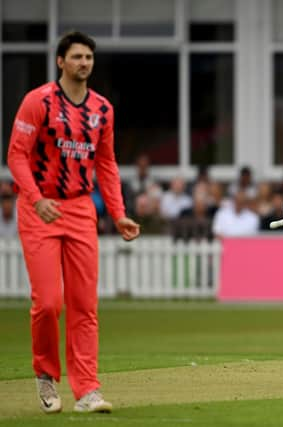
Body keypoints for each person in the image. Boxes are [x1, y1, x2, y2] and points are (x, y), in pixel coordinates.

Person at [7, 31, 140, 414]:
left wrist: (118, 213)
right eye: (77, 56)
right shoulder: (38, 102)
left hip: (81, 210)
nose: (84, 63)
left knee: (84, 304)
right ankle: (46, 375)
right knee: (49, 303)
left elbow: (106, 164)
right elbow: (16, 155)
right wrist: (36, 198)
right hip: (40, 210)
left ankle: (87, 391)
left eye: (89, 57)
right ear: (60, 61)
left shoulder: (102, 109)